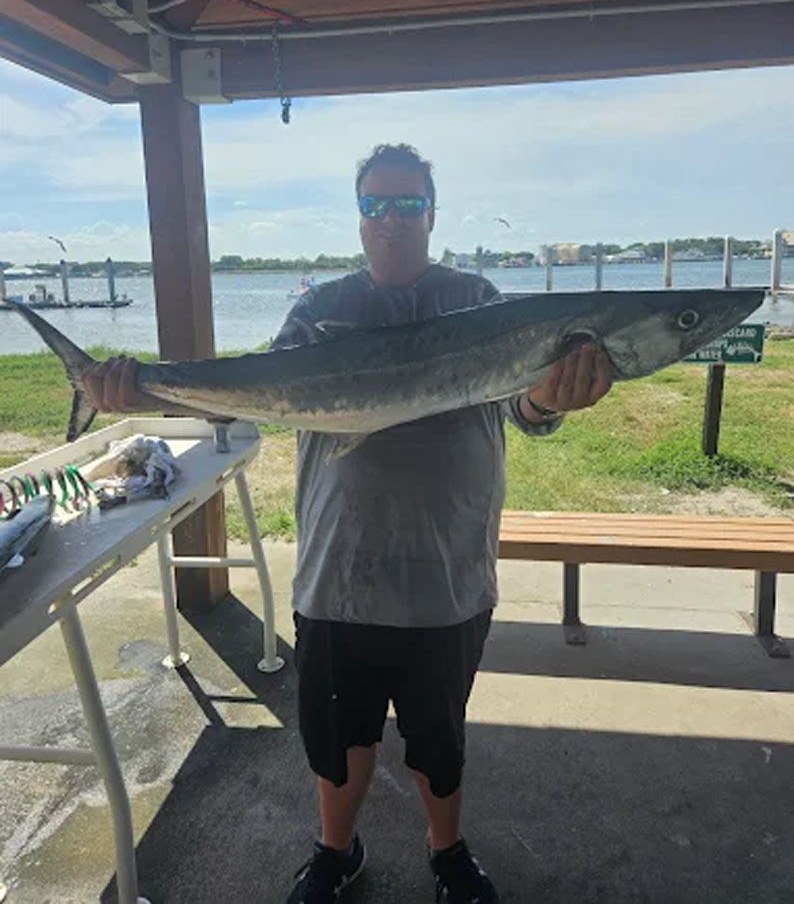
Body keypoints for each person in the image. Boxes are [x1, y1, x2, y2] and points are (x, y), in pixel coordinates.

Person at [83, 144, 612, 903]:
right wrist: (148, 391)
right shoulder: (318, 311)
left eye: (405, 205)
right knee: (337, 740)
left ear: (431, 212)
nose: (389, 221)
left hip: (448, 574)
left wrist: (550, 402)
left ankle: (448, 854)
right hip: (339, 576)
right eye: (374, 206)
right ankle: (335, 853)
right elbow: (252, 392)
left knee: (440, 739)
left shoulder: (483, 301)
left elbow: (524, 409)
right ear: (358, 219)